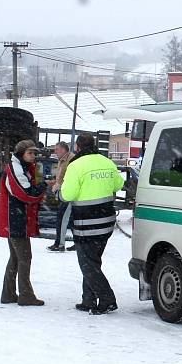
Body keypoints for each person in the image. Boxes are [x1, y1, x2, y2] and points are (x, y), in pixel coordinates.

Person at [61, 133, 125, 315]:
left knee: (87, 264)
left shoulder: (76, 166)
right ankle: (88, 299)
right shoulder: (107, 162)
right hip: (106, 222)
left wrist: (59, 191)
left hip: (86, 223)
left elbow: (68, 195)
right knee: (93, 261)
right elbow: (119, 184)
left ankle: (107, 299)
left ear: (78, 147)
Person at [0, 139, 46, 306]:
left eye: (34, 153)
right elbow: (26, 194)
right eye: (30, 153)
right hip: (16, 220)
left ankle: (9, 293)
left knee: (16, 258)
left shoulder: (19, 168)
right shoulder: (15, 170)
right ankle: (25, 295)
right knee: (24, 258)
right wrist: (43, 187)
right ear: (21, 154)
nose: (33, 156)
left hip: (15, 219)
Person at [47, 141, 73, 252]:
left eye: (56, 149)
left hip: (68, 194)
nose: (55, 152)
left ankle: (59, 244)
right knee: (72, 220)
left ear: (63, 150)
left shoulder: (70, 160)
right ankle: (78, 243)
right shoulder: (63, 160)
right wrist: (55, 181)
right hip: (66, 192)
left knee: (61, 219)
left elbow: (68, 177)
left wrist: (57, 184)